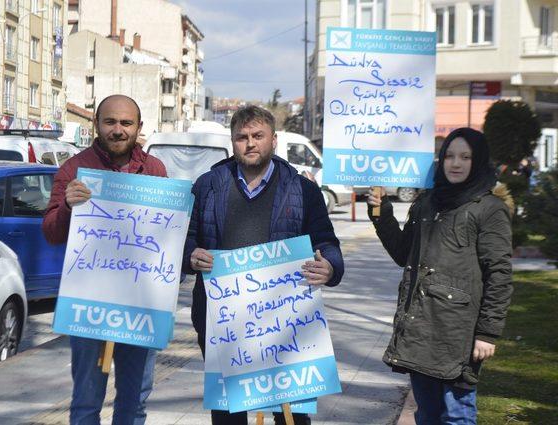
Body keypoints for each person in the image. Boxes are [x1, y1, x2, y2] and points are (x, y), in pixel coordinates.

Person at [183, 105, 344, 425]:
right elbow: (185, 238)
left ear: (274, 140)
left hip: (285, 321)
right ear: (232, 141)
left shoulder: (302, 188)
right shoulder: (207, 185)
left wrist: (331, 267)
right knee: (229, 413)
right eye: (242, 137)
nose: (250, 143)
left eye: (258, 136)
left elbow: (327, 242)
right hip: (222, 320)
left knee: (291, 416)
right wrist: (190, 256)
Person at [367, 127, 514, 424]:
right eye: (449, 155)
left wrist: (487, 332)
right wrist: (381, 214)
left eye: (465, 156)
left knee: (457, 415)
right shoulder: (427, 202)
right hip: (420, 329)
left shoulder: (489, 209)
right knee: (428, 415)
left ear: (478, 160)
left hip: (458, 334)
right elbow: (402, 253)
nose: (455, 163)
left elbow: (499, 274)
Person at [43, 95, 167, 425]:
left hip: (139, 306)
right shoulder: (75, 169)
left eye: (126, 123)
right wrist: (68, 205)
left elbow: (166, 237)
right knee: (86, 401)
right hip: (89, 305)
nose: (117, 130)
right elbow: (52, 233)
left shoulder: (154, 170)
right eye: (110, 122)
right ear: (96, 124)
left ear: (139, 127)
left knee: (135, 401)